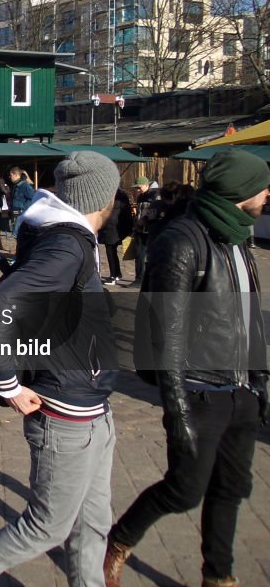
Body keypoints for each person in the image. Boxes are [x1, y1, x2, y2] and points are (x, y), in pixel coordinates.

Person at [0, 150, 121, 587]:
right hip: (64, 408)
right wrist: (7, 383)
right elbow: (0, 306)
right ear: (103, 197)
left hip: (92, 403)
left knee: (94, 521)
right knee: (49, 524)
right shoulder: (68, 244)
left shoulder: (64, 239)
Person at [104, 149, 270, 587]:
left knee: (232, 489)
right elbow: (166, 335)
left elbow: (250, 319)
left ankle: (219, 576)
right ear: (238, 190)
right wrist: (175, 411)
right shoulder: (181, 241)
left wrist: (261, 382)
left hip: (241, 390)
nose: (268, 193)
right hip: (199, 392)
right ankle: (121, 535)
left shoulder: (238, 237)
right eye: (262, 185)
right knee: (186, 488)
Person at [127, 176, 160, 286]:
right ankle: (140, 277)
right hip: (140, 230)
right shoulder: (141, 196)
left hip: (149, 231)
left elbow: (154, 214)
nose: (137, 190)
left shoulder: (155, 196)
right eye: (136, 188)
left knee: (143, 255)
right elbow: (139, 213)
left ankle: (142, 279)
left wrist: (145, 222)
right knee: (139, 255)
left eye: (139, 187)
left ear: (146, 185)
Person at [98, 187, 133, 285]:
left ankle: (114, 275)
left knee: (110, 251)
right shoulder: (117, 194)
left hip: (114, 228)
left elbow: (122, 213)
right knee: (110, 251)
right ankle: (116, 273)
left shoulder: (117, 196)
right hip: (112, 227)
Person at [7, 166, 35, 234]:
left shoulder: (25, 186)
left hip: (22, 214)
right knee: (16, 235)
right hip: (16, 213)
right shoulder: (16, 186)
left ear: (16, 175)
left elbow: (33, 198)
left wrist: (25, 210)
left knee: (17, 234)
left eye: (11, 175)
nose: (9, 177)